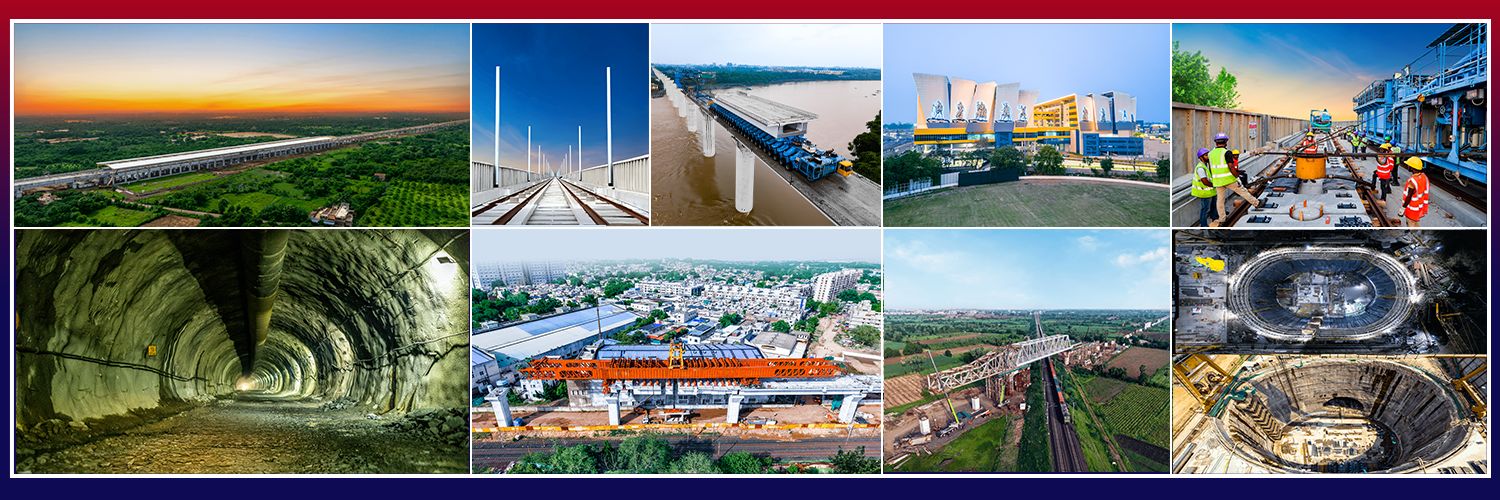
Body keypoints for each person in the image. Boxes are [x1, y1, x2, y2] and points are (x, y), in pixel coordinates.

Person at [1207, 132, 1260, 226]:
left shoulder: (1210, 154)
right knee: (1243, 191)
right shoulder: (1227, 152)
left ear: (1216, 142)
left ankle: (1222, 218)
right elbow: (1231, 167)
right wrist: (1236, 176)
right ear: (1226, 142)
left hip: (1217, 181)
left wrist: (1213, 179)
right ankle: (1256, 203)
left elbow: (1211, 168)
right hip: (1229, 179)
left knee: (1220, 200)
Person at [1191, 148, 1220, 227]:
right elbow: (1205, 181)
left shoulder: (1206, 165)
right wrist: (1215, 185)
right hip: (1204, 193)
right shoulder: (1200, 168)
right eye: (1206, 155)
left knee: (1214, 207)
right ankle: (1204, 226)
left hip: (1211, 191)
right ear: (1201, 157)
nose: (1208, 157)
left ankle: (1215, 220)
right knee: (1205, 209)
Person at [1401, 157, 1429, 227]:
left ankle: (1412, 232)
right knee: (1414, 222)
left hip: (1412, 208)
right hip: (1419, 206)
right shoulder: (1423, 176)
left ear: (1412, 167)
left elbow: (1409, 196)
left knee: (1411, 223)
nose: (1407, 166)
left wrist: (1403, 208)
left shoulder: (1412, 181)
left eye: (1408, 165)